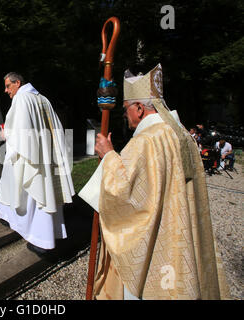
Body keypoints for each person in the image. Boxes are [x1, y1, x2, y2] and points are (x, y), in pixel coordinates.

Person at [79, 64, 229, 299]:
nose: (125, 114)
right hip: (179, 231)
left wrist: (108, 156)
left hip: (156, 243)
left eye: (127, 108)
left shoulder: (146, 141)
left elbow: (124, 194)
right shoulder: (181, 134)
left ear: (139, 108)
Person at [0, 72, 75, 254]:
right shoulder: (43, 99)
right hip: (46, 154)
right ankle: (11, 218)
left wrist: (5, 134)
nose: (6, 90)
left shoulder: (22, 99)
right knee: (42, 193)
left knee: (30, 193)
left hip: (29, 156)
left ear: (18, 83)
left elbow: (19, 131)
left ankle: (41, 240)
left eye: (8, 86)